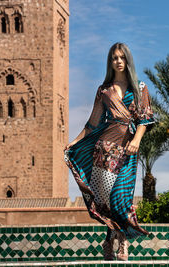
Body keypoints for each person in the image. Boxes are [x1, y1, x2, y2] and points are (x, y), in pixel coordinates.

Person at [64, 42, 155, 261]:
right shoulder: (103, 90)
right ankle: (112, 241)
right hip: (103, 151)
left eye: (122, 57)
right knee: (106, 201)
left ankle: (118, 240)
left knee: (120, 198)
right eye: (114, 57)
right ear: (110, 61)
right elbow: (93, 123)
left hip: (127, 151)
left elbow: (144, 118)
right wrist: (74, 142)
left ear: (128, 60)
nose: (118, 61)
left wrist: (137, 140)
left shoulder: (139, 88)